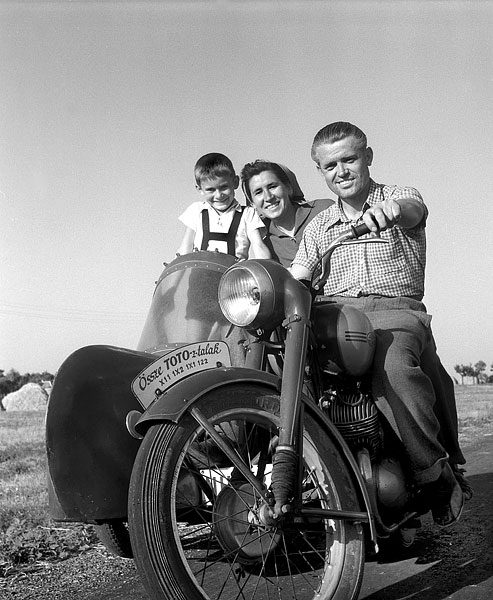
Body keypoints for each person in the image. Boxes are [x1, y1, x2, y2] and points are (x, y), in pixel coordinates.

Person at [290, 121, 466, 527]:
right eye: (330, 165)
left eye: (349, 159)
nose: (341, 171)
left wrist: (393, 213)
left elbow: (413, 211)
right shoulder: (318, 226)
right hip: (335, 317)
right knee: (287, 369)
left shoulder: (398, 196)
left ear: (367, 157)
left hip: (395, 312)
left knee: (393, 367)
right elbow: (298, 274)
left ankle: (432, 471)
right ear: (320, 171)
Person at [240, 160, 333, 267]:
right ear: (253, 204)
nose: (268, 197)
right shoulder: (264, 242)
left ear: (288, 188)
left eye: (272, 186)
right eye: (258, 192)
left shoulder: (324, 210)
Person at [177, 153, 270, 260]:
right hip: (199, 273)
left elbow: (258, 245)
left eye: (224, 187)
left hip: (234, 274)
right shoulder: (196, 210)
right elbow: (186, 246)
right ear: (199, 189)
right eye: (210, 190)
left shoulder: (248, 213)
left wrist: (266, 268)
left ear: (235, 182)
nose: (219, 195)